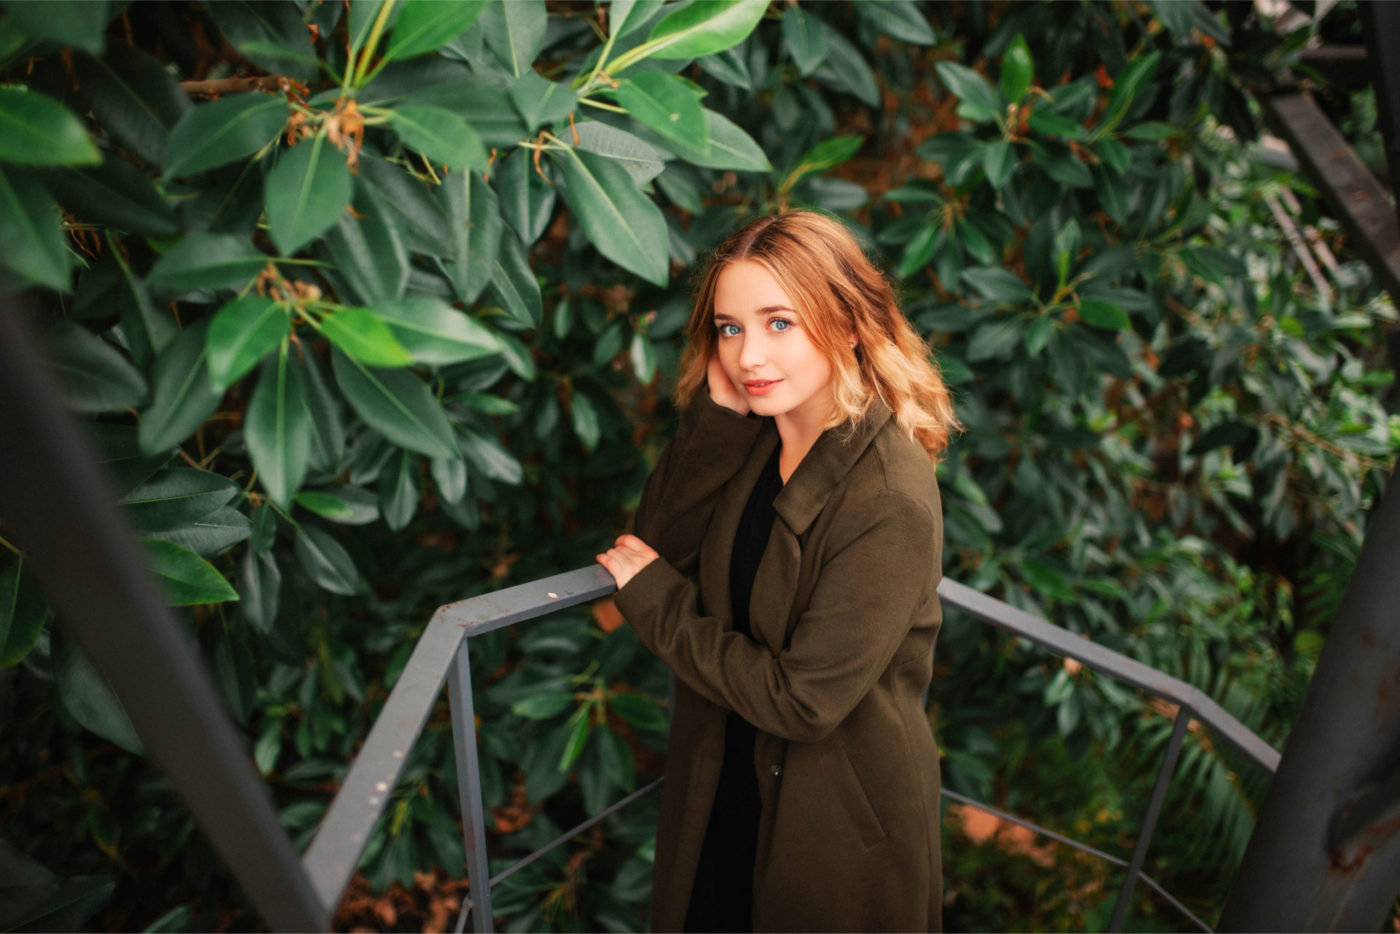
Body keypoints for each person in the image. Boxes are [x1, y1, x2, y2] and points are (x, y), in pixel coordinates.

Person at [596, 210, 959, 933]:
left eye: (779, 323)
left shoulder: (889, 498)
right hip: (727, 777)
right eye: (730, 329)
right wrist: (718, 421)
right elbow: (656, 544)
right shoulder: (757, 436)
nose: (748, 356)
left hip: (832, 824)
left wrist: (662, 606)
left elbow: (803, 701)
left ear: (849, 324)